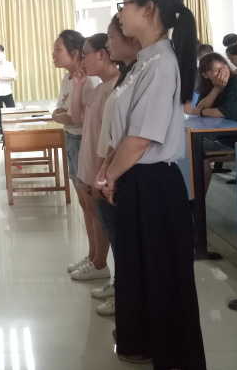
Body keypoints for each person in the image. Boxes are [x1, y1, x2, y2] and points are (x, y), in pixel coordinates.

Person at [96, 0, 205, 368]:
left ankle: (172, 357)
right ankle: (142, 343)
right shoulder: (145, 62)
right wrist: (110, 170)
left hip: (154, 185)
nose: (121, 13)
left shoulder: (162, 64)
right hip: (136, 180)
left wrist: (109, 175)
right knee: (138, 270)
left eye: (125, 3)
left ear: (149, 9)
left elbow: (141, 138)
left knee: (161, 276)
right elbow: (124, 130)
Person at [90, 16, 142, 318]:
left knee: (125, 241)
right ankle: (122, 289)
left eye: (112, 38)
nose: (108, 45)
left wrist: (108, 172)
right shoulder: (128, 75)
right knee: (116, 232)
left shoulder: (149, 71)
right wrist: (104, 168)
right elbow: (111, 134)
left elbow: (137, 136)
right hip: (112, 167)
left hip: (127, 170)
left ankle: (126, 294)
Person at [68, 33, 119, 286]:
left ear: (102, 54)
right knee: (96, 214)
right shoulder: (100, 88)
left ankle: (105, 268)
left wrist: (102, 171)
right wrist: (78, 84)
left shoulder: (117, 88)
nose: (82, 60)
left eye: (85, 54)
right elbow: (76, 116)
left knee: (108, 221)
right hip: (91, 163)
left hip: (103, 167)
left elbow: (112, 139)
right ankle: (97, 260)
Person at [51, 30, 100, 277]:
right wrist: (63, 115)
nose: (53, 54)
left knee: (92, 205)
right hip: (71, 139)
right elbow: (59, 111)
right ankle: (92, 255)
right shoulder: (68, 79)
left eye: (58, 50)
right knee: (84, 203)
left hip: (84, 142)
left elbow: (75, 117)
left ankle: (99, 262)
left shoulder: (89, 80)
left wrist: (63, 116)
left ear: (75, 52)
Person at [186, 52, 237, 188]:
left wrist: (201, 112)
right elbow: (201, 107)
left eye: (223, 68)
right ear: (205, 75)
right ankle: (193, 196)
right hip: (229, 135)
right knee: (190, 147)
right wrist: (216, 89)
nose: (222, 73)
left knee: (197, 154)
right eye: (216, 71)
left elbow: (222, 113)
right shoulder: (210, 86)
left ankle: (197, 200)